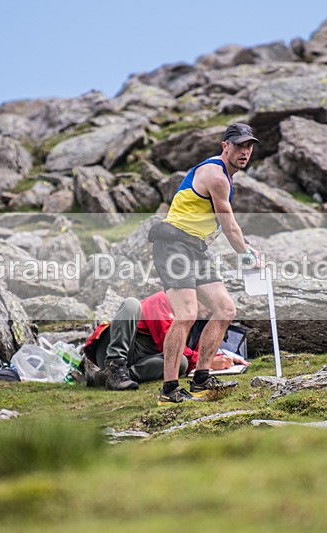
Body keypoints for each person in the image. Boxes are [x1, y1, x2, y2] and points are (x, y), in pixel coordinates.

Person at [149, 122, 262, 405]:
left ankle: (201, 378)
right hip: (173, 245)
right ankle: (169, 390)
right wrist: (247, 254)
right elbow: (229, 227)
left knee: (225, 309)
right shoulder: (216, 175)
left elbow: (229, 226)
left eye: (249, 146)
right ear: (225, 146)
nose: (244, 151)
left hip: (195, 248)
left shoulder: (226, 175)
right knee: (186, 314)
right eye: (238, 145)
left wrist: (247, 248)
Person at [82, 290, 249, 390]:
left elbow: (192, 355)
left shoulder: (200, 321)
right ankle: (113, 368)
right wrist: (209, 362)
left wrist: (221, 355)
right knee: (131, 304)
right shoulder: (164, 299)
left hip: (145, 359)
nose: (212, 309)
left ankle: (109, 378)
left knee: (181, 363)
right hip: (119, 346)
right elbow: (166, 341)